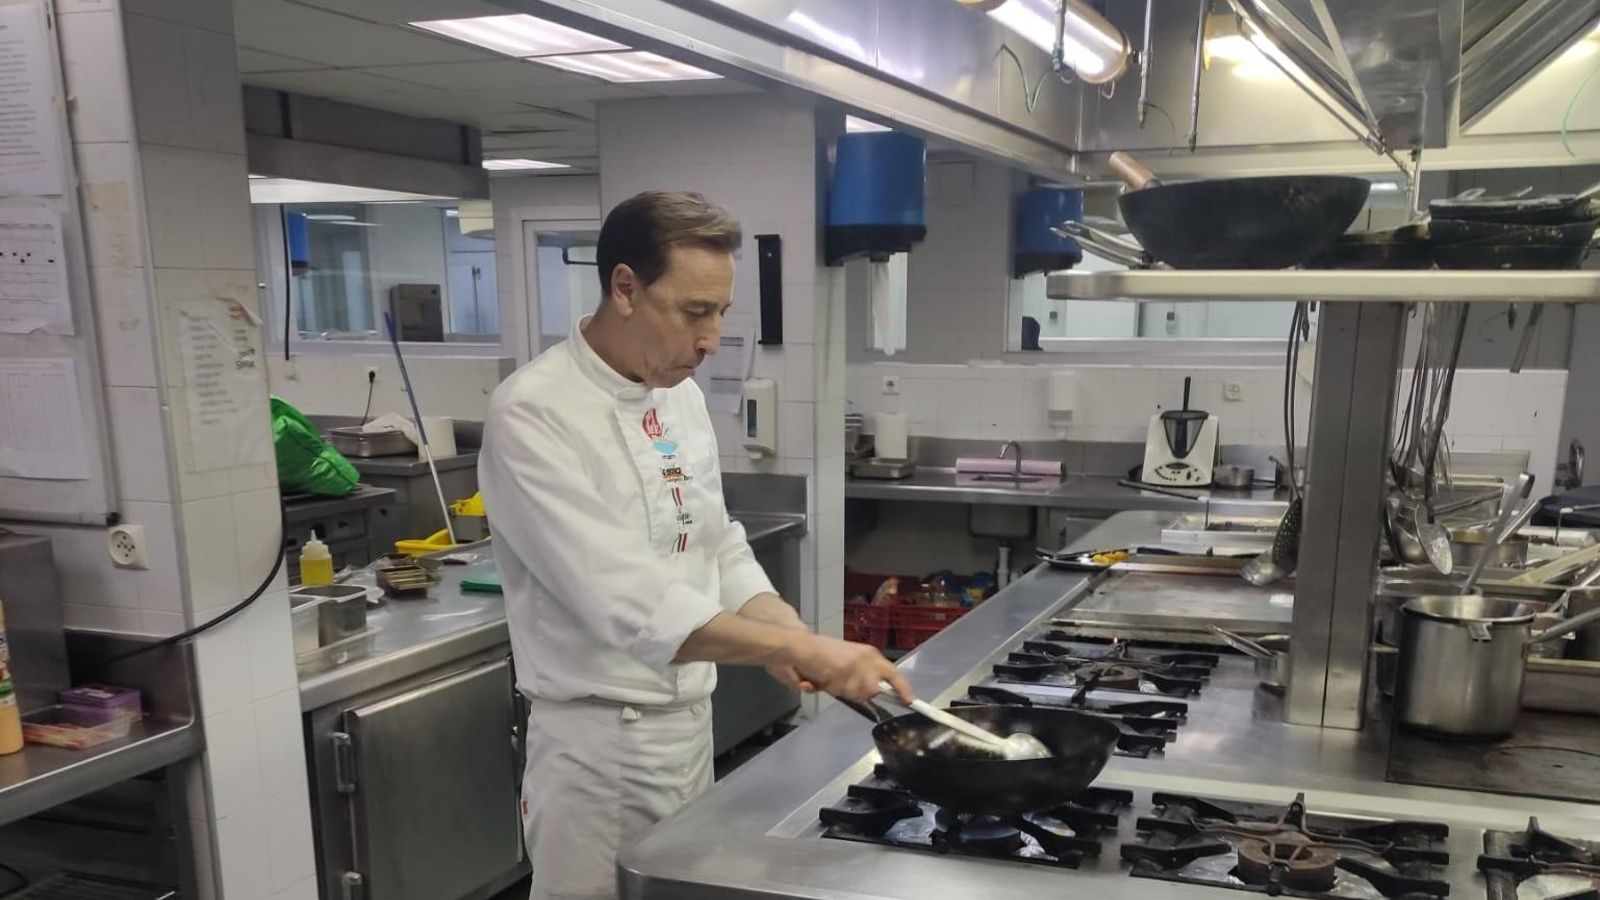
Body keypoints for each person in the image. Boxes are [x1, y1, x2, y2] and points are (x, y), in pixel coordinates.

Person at [480, 190, 912, 900]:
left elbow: (716, 542)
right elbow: (630, 606)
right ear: (624, 287)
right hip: (597, 751)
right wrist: (802, 652)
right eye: (694, 312)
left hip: (686, 730)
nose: (712, 339)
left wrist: (789, 631)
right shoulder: (534, 412)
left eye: (720, 312)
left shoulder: (674, 394)